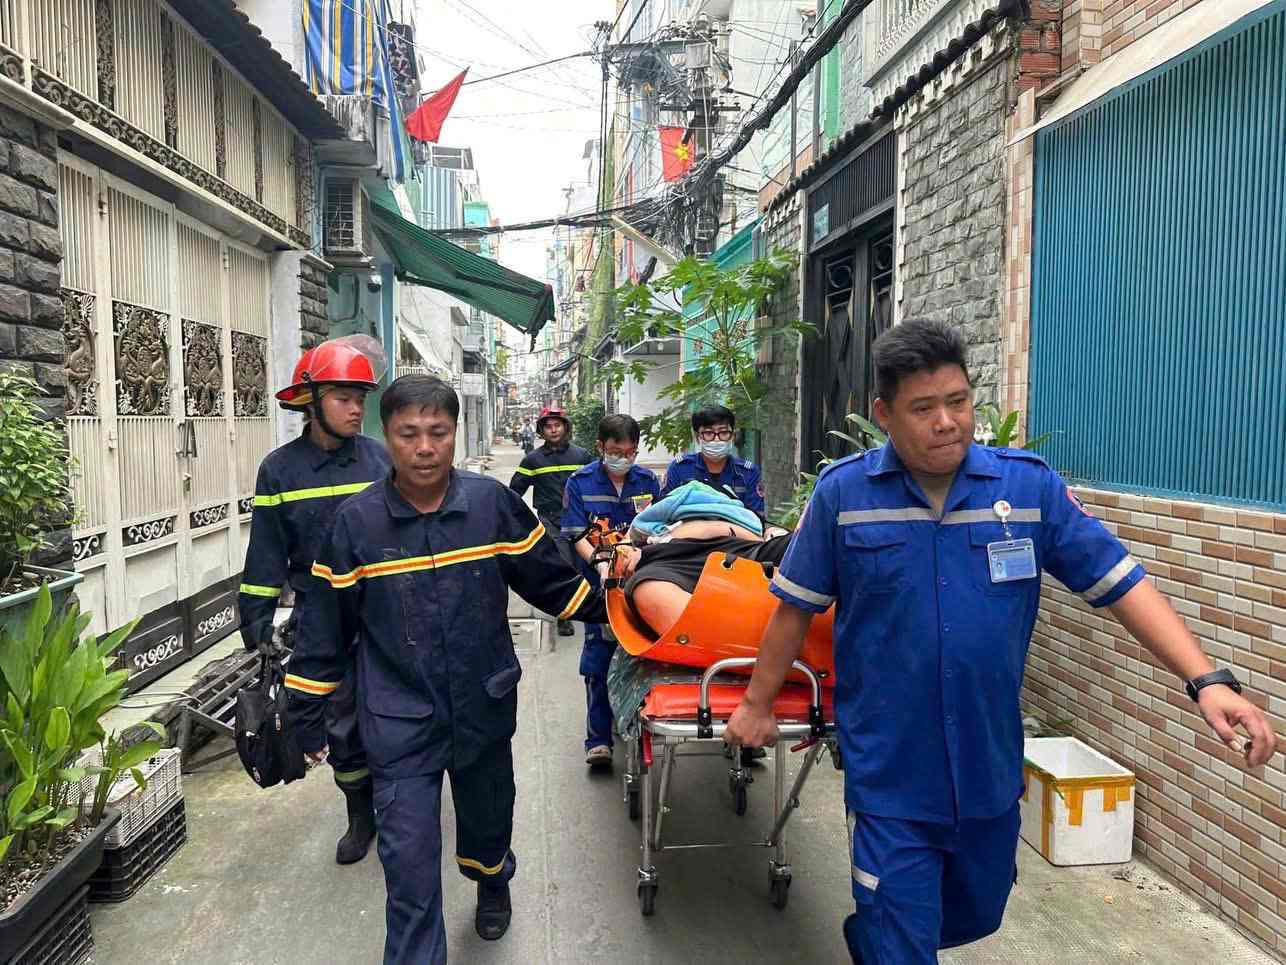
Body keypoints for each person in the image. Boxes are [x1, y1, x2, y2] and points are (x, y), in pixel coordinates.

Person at [725, 319, 1278, 964]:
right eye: (923, 408)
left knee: (977, 907)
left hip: (988, 767)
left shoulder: (1026, 489)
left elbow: (1121, 582)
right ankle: (884, 937)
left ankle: (881, 934)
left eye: (957, 402)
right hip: (891, 772)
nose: (946, 422)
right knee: (898, 927)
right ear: (884, 414)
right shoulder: (845, 495)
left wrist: (1206, 680)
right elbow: (793, 609)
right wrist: (758, 704)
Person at [284, 376, 606, 965]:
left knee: (487, 820)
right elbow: (324, 634)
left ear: (454, 434)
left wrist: (624, 612)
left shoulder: (489, 506)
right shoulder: (355, 527)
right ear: (389, 436)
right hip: (398, 717)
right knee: (407, 868)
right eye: (409, 434)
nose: (425, 447)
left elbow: (550, 579)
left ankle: (492, 881)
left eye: (438, 432)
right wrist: (304, 716)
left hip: (483, 703)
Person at [238, 337, 389, 865]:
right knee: (340, 722)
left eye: (361, 398)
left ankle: (400, 801)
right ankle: (359, 812)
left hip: (386, 612)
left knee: (395, 713)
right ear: (311, 400)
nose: (356, 408)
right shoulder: (279, 471)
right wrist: (257, 625)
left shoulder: (382, 458)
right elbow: (265, 556)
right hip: (320, 619)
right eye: (344, 397)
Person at [561, 414, 661, 768]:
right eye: (615, 450)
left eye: (630, 451)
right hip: (599, 585)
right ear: (600, 447)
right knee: (599, 660)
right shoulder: (580, 482)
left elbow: (660, 531)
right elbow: (575, 534)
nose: (623, 457)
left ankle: (634, 720)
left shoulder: (649, 481)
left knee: (642, 655)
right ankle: (599, 739)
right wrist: (602, 566)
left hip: (640, 584)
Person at [508, 407, 593, 636]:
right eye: (548, 426)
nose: (553, 429)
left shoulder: (582, 456)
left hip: (580, 521)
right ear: (541, 430)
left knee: (583, 564)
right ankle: (564, 615)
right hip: (551, 521)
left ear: (565, 427)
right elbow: (514, 492)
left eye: (557, 425)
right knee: (563, 564)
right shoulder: (532, 460)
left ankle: (589, 606)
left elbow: (594, 484)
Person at [660, 405, 765, 516]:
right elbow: (665, 510)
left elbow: (756, 515)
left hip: (737, 531)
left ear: (732, 436)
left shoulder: (748, 472)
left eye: (723, 433)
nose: (716, 439)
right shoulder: (680, 468)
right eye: (708, 433)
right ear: (697, 437)